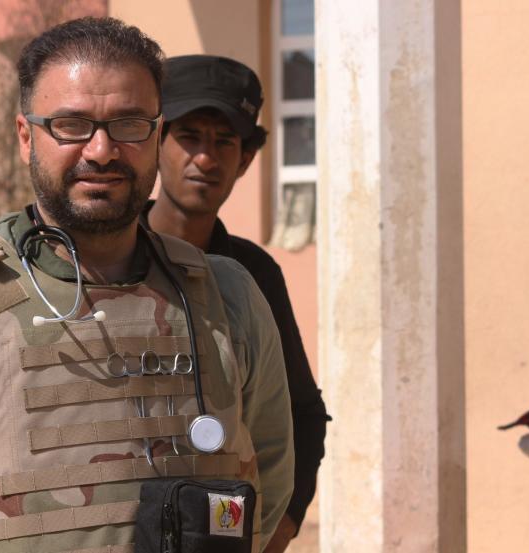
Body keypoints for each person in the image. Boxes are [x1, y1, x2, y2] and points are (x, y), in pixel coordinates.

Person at [0, 17, 293, 552]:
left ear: (156, 135)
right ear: (25, 137)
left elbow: (265, 491)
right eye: (71, 124)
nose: (102, 150)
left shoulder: (227, 296)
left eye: (129, 124)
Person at [145, 54, 329, 552]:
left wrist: (283, 525)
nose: (206, 158)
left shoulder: (252, 276)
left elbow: (303, 413)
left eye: (224, 142)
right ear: (155, 142)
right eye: (190, 137)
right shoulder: (108, 257)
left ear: (246, 159)